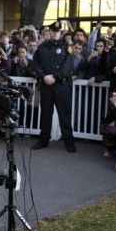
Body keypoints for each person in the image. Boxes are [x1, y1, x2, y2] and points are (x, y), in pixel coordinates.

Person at [32, 20, 76, 152]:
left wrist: (56, 77)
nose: (56, 33)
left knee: (64, 115)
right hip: (46, 86)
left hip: (61, 86)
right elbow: (36, 64)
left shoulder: (66, 46)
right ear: (49, 32)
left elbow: (68, 64)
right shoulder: (42, 47)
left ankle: (69, 142)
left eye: (58, 31)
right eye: (54, 31)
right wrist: (44, 76)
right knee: (45, 114)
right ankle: (43, 140)